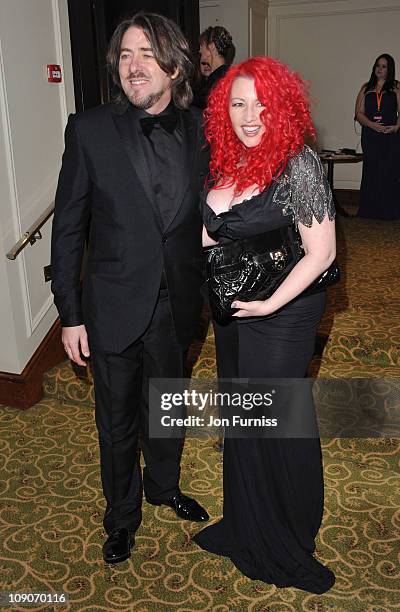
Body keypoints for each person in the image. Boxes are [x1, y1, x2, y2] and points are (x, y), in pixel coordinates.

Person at [51, 11, 210, 565]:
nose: (133, 65)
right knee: (116, 424)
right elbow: (68, 227)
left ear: (174, 63)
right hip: (112, 308)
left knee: (168, 410)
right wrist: (70, 315)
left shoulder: (202, 130)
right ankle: (121, 516)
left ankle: (163, 486)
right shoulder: (89, 130)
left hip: (177, 307)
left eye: (145, 53)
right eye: (124, 55)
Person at [192, 57, 336, 594]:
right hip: (233, 314)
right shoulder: (223, 161)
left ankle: (286, 534)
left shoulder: (298, 163)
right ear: (223, 109)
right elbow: (212, 236)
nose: (249, 115)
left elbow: (321, 253)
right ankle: (247, 522)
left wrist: (271, 303)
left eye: (262, 104)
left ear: (283, 108)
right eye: (238, 103)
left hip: (282, 314)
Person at [355, 53, 400, 219]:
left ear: (390, 69)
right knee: (371, 171)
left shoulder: (396, 87)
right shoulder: (366, 88)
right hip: (371, 136)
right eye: (377, 65)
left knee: (389, 172)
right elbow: (358, 113)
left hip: (390, 137)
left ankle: (389, 212)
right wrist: (371, 124)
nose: (379, 69)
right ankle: (369, 211)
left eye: (384, 66)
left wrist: (396, 127)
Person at [192, 26, 235, 109]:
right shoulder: (225, 75)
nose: (199, 50)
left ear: (212, 48)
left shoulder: (218, 80)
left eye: (202, 45)